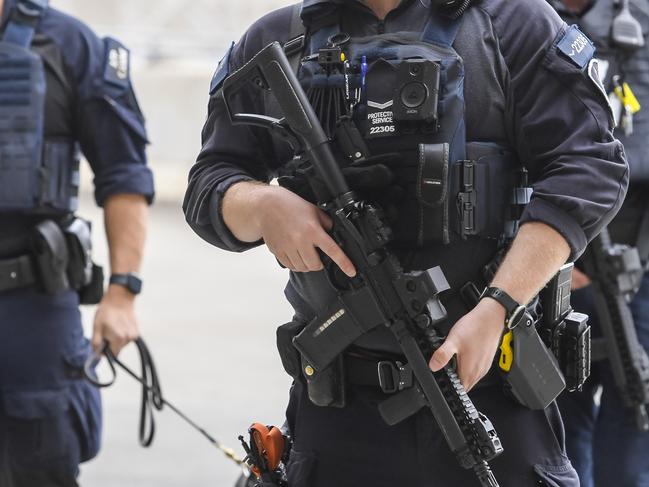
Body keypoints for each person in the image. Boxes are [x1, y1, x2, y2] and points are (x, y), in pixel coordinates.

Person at [184, 0, 629, 485]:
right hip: (339, 409)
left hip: (489, 386)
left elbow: (588, 170)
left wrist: (498, 305)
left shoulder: (512, 24)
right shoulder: (279, 39)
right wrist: (261, 207)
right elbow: (212, 179)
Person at [0, 0, 154, 485]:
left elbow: (124, 175)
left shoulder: (69, 44)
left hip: (31, 307)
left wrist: (123, 290)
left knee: (41, 464)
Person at [547, 1, 649, 486]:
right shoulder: (518, 19)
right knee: (559, 419)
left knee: (635, 410)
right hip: (552, 260)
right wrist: (558, 250)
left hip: (638, 264)